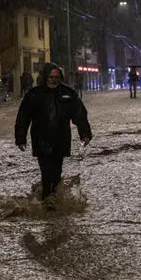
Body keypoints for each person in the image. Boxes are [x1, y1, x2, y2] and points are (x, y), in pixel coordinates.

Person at [15, 63, 92, 203]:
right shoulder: (34, 95)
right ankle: (46, 200)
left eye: (56, 77)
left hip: (60, 140)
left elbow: (80, 114)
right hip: (41, 140)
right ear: (45, 77)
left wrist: (85, 133)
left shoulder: (68, 94)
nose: (53, 80)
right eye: (51, 77)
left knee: (56, 173)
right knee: (46, 173)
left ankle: (53, 200)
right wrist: (21, 138)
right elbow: (23, 117)